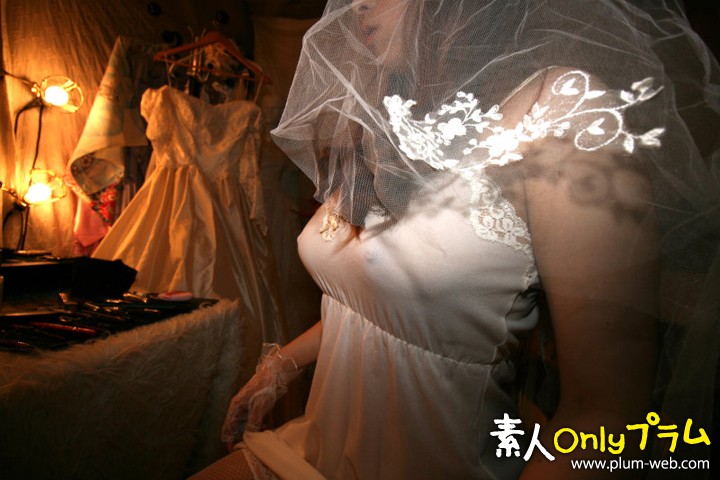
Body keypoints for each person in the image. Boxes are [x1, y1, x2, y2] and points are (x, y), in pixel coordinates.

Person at [191, 1, 720, 479]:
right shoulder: (387, 107)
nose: (355, 7)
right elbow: (380, 303)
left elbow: (608, 414)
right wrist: (282, 363)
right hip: (314, 444)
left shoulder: (561, 114)